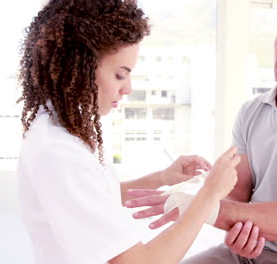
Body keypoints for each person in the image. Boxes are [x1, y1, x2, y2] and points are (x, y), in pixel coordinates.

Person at [125, 0, 277, 263]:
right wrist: (236, 231)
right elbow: (236, 196)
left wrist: (192, 206)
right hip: (245, 253)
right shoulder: (252, 112)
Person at [16, 1, 240, 264]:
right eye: (120, 75)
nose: (128, 89)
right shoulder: (59, 151)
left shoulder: (59, 130)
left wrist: (162, 177)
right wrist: (209, 195)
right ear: (79, 68)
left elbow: (96, 196)